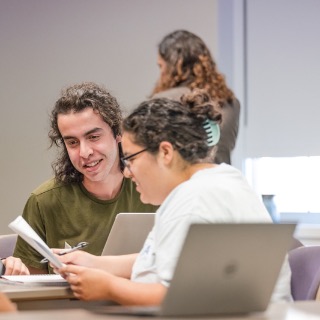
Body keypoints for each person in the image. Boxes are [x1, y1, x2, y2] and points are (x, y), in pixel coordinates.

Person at [55, 89, 291, 305]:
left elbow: (179, 297)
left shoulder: (195, 201)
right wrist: (94, 263)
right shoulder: (221, 180)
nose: (127, 171)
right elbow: (160, 260)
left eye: (131, 159)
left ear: (166, 152)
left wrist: (109, 287)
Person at [13, 82, 157, 274]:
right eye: (72, 142)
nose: (84, 152)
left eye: (94, 137)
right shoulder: (44, 201)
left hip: (144, 301)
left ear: (117, 133)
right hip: (71, 303)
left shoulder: (154, 190)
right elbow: (31, 287)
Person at [151, 29, 240, 165]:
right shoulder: (232, 103)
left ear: (174, 66)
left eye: (161, 66)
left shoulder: (163, 101)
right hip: (223, 181)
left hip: (184, 184)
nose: (161, 73)